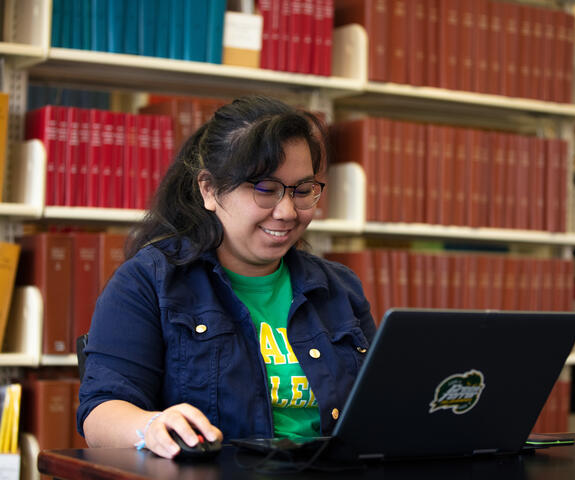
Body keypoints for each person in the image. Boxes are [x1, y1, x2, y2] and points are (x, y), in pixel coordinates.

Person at [77, 96, 376, 459]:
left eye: (302, 190)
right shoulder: (148, 282)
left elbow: (376, 406)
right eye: (265, 189)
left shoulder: (338, 288)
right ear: (209, 190)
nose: (286, 211)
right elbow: (100, 413)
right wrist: (151, 425)